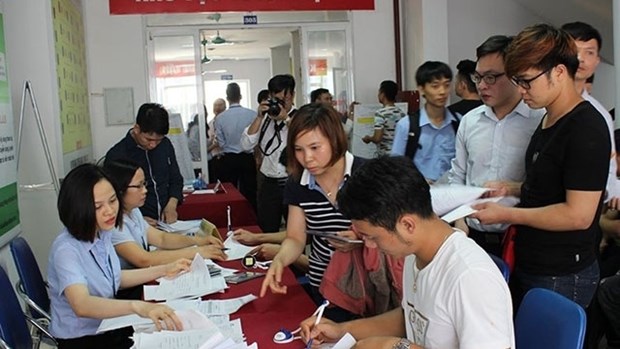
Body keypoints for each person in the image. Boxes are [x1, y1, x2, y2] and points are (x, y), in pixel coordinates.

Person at [300, 156, 514, 349]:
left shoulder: (471, 278)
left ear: (407, 225)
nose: (369, 245)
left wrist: (395, 347)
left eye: (372, 237)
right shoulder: (415, 254)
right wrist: (342, 331)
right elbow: (409, 317)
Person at [471, 23, 611, 309]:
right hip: (533, 259)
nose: (521, 91)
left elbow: (578, 215)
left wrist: (508, 213)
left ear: (559, 72)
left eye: (527, 81)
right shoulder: (548, 118)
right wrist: (508, 188)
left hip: (562, 271)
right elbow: (551, 187)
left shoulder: (586, 127)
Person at [48, 163, 190, 349]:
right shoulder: (66, 250)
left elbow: (115, 277)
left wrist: (165, 269)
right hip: (83, 339)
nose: (110, 211)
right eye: (98, 206)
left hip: (109, 325)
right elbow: (82, 304)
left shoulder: (102, 232)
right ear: (78, 208)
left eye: (113, 200)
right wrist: (136, 306)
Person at [259, 103, 364, 322]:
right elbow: (296, 238)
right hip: (324, 287)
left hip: (367, 289)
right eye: (298, 149)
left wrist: (361, 236)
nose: (307, 158)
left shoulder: (366, 175)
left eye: (315, 148)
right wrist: (280, 260)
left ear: (335, 140)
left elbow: (392, 232)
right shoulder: (298, 183)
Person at [447, 35, 544, 256]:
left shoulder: (539, 120)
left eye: (491, 77)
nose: (482, 86)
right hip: (473, 236)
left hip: (521, 239)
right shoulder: (470, 121)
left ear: (515, 75)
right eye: (478, 77)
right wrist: (460, 222)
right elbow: (458, 176)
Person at [104, 158, 226, 270]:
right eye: (138, 186)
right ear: (119, 189)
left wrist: (198, 241)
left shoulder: (133, 210)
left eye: (144, 184)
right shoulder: (112, 222)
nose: (145, 190)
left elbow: (162, 238)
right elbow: (144, 259)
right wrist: (199, 252)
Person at [562, 21, 618, 202]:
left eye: (589, 52)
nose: (581, 58)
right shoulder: (536, 103)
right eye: (574, 50)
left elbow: (608, 170)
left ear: (597, 61)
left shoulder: (600, 115)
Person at [105, 103, 183, 226]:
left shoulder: (165, 145)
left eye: (158, 140)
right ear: (137, 129)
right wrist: (135, 219)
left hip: (167, 223)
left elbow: (176, 179)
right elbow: (110, 197)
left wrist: (172, 205)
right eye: (149, 139)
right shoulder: (117, 155)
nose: (153, 145)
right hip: (135, 227)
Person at [241, 74, 297, 232]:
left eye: (282, 99)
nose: (279, 104)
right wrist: (259, 117)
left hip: (293, 182)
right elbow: (246, 145)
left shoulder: (300, 116)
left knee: (295, 232)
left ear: (292, 95)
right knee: (266, 229)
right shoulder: (265, 119)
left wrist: (285, 118)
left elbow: (304, 136)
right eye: (275, 99)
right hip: (268, 184)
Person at [391, 61, 458, 183]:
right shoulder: (407, 125)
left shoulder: (459, 123)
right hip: (418, 193)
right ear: (421, 89)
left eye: (447, 85)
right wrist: (417, 181)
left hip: (452, 193)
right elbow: (396, 167)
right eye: (435, 86)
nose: (442, 91)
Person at [215, 82, 258, 209]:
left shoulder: (220, 118)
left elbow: (221, 142)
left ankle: (231, 216)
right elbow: (255, 138)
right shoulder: (252, 114)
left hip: (229, 159)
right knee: (250, 192)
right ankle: (251, 218)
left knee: (229, 192)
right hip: (247, 157)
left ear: (227, 98)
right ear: (241, 96)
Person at [362, 80, 405, 157]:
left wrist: (369, 138)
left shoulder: (380, 113)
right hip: (399, 154)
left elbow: (377, 138)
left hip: (385, 156)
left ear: (383, 94)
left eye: (379, 92)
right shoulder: (401, 113)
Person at [207, 98, 227, 183]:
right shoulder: (210, 124)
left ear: (225, 107)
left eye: (220, 105)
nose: (217, 108)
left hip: (226, 157)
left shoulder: (227, 122)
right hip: (214, 159)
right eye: (215, 105)